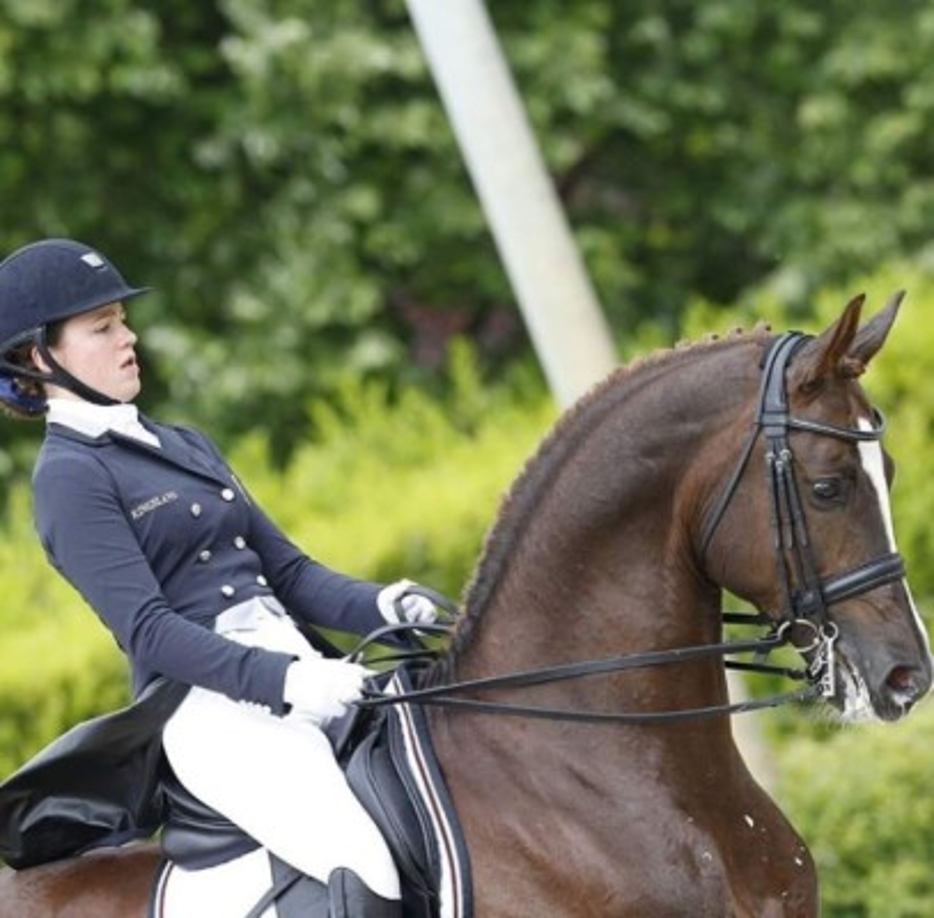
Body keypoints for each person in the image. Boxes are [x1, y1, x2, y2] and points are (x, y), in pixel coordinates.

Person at [0, 237, 438, 915]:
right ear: (40, 357)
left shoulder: (181, 443)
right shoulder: (68, 478)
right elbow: (148, 630)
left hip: (301, 674)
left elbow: (288, 573)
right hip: (212, 714)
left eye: (123, 320)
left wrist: (386, 603)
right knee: (364, 862)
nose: (129, 338)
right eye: (103, 326)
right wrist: (288, 680)